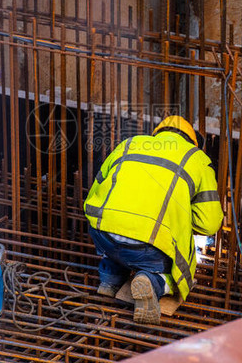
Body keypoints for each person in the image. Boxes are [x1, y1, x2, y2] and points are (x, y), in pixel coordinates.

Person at [83, 115, 224, 325]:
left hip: (102, 235)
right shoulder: (197, 159)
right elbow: (209, 223)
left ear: (157, 133)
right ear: (193, 142)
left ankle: (109, 279)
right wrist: (179, 216)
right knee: (176, 268)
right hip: (147, 249)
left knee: (120, 239)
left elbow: (96, 192)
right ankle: (154, 280)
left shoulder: (130, 143)